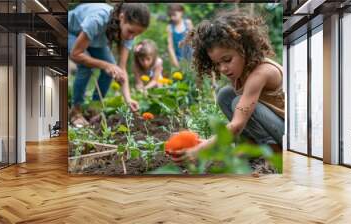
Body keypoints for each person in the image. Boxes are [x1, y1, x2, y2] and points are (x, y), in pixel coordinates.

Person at [170, 10, 285, 162]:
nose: (222, 68)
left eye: (227, 60)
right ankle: (251, 146)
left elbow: (237, 124)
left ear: (244, 49)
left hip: (289, 133)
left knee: (238, 102)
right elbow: (237, 122)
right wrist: (206, 143)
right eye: (217, 63)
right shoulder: (239, 72)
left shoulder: (261, 73)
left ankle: (275, 153)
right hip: (273, 124)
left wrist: (201, 150)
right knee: (225, 94)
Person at [68, 3, 150, 126]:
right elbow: (76, 54)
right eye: (131, 31)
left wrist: (128, 99)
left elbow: (121, 69)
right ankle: (76, 111)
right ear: (121, 17)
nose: (131, 37)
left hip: (93, 39)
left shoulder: (129, 32)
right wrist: (106, 65)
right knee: (86, 66)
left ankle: (94, 109)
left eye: (136, 34)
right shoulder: (97, 19)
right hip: (71, 32)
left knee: (112, 68)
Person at [166, 3, 193, 69]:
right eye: (170, 15)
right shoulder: (170, 27)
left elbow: (194, 39)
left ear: (181, 12)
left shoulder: (187, 23)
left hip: (191, 57)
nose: (172, 18)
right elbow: (170, 47)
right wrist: (176, 63)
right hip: (178, 58)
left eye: (174, 15)